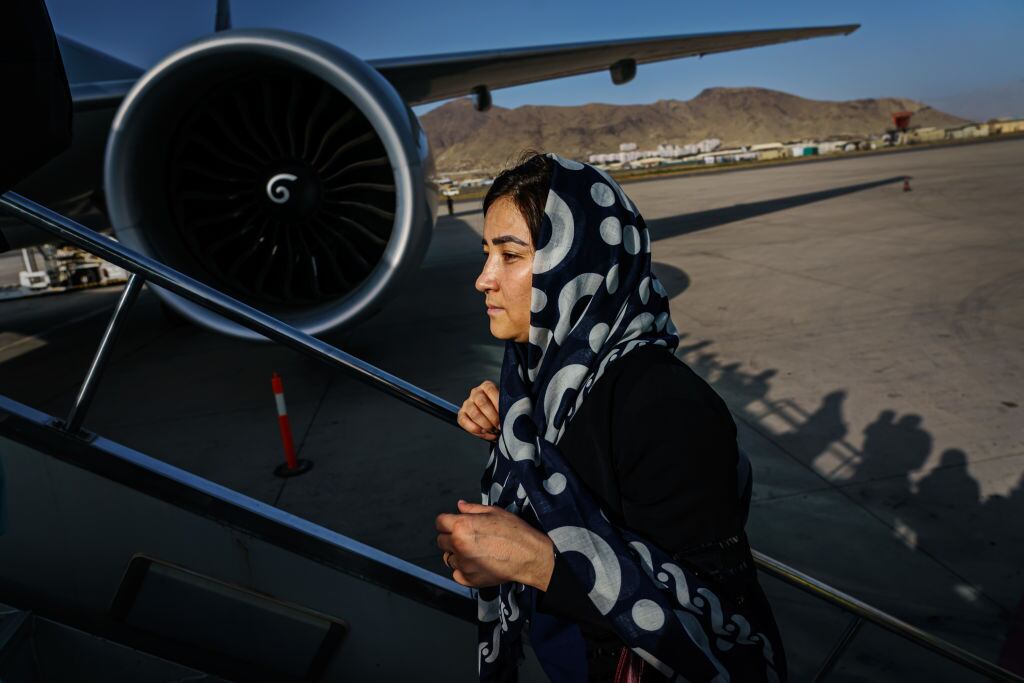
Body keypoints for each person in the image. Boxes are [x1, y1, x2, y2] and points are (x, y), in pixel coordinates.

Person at [435, 151, 786, 682]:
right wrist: (514, 426)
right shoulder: (547, 382)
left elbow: (714, 623)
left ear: (574, 264)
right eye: (487, 254)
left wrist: (534, 561)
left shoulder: (666, 405)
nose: (484, 279)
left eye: (510, 256)